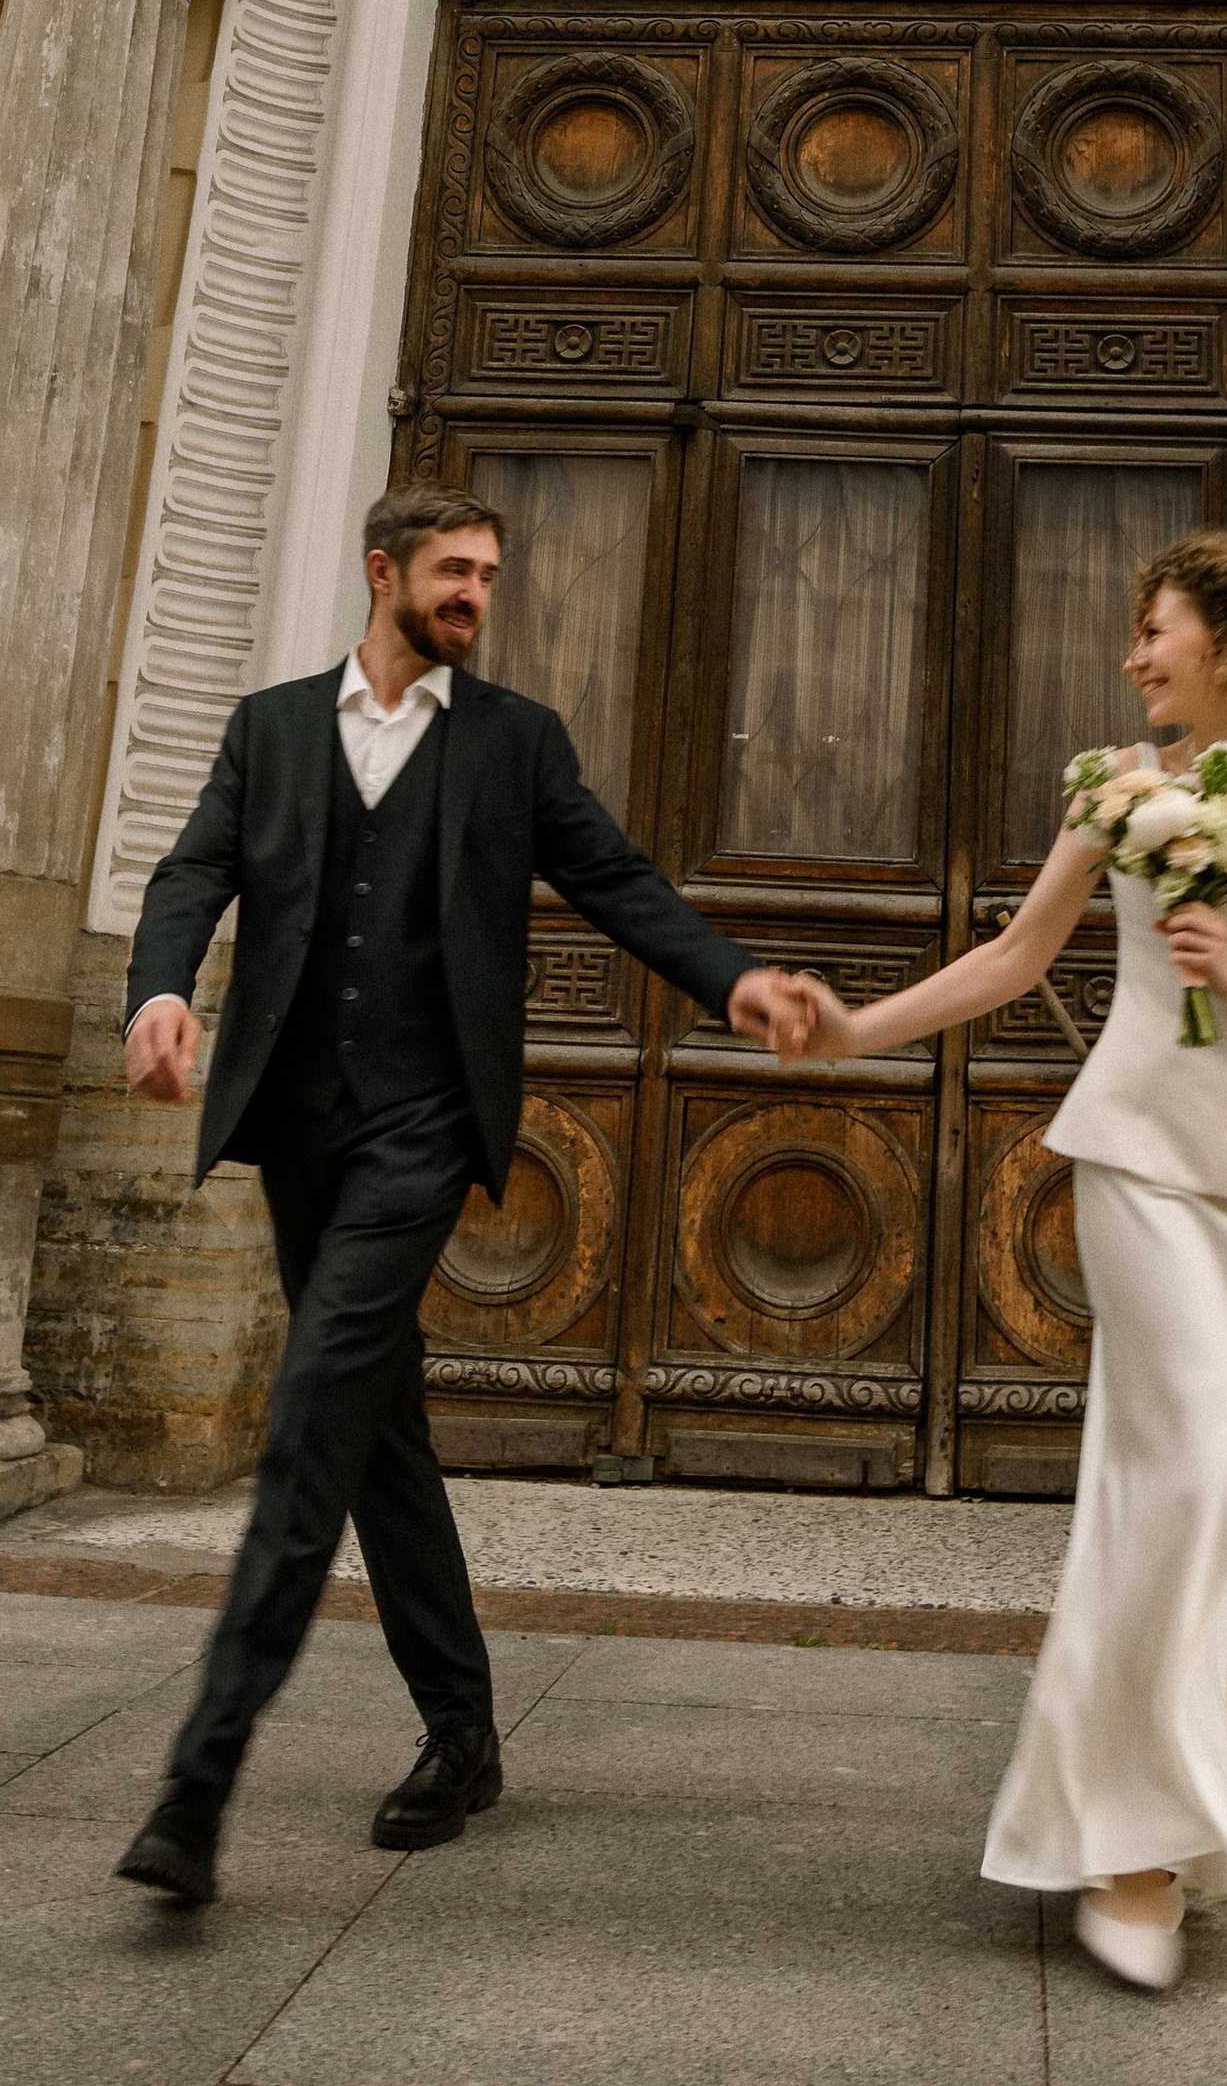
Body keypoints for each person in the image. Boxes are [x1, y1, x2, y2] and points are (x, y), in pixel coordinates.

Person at [111, 484, 817, 1905]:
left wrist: (730, 975)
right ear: (382, 571)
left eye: (489, 575)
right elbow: (194, 869)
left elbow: (617, 879)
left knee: (312, 1418)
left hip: (425, 1129)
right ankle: (464, 1732)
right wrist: (160, 994)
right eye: (453, 571)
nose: (474, 596)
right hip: (299, 1126)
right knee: (376, 1437)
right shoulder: (270, 729)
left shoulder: (514, 745)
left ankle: (201, 1778)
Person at [790, 531, 1227, 1991]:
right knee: (1173, 1476)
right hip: (1141, 1159)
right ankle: (1132, 1851)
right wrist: (856, 1033)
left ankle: (1147, 1832)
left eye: (1155, 631)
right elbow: (1014, 957)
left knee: (1216, 1508)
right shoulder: (1124, 787)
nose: (1133, 656)